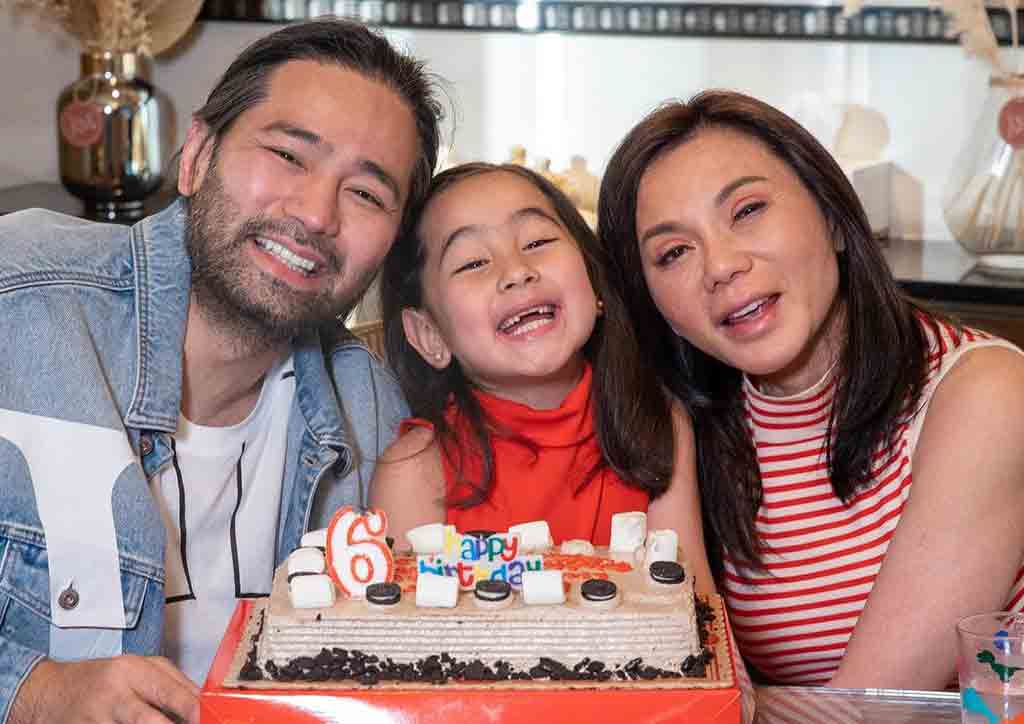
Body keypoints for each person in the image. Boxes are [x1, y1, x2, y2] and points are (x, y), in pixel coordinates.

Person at [0, 19, 443, 724]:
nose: (315, 214)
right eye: (290, 156)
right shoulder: (19, 300)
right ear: (197, 155)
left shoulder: (374, 415)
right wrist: (33, 693)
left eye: (366, 194)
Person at [597, 89, 1024, 690]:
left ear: (833, 217)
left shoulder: (984, 392)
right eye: (673, 252)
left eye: (746, 210)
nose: (720, 265)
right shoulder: (687, 425)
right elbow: (697, 690)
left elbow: (867, 706)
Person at [369, 162, 712, 592]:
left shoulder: (656, 419)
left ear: (594, 281)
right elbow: (404, 646)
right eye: (473, 262)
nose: (516, 271)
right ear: (430, 334)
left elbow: (692, 610)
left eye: (538, 241)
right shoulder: (416, 469)